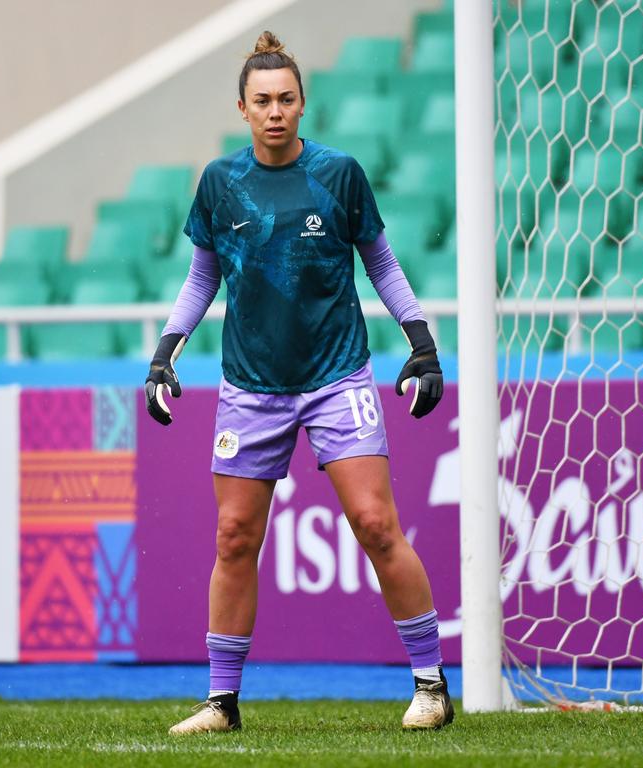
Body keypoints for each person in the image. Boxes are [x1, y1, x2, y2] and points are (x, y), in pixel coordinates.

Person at [144, 30, 452, 734]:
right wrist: (166, 350)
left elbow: (382, 263)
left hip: (337, 375)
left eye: (286, 98)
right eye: (262, 100)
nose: (275, 110)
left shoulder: (338, 174)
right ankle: (222, 703)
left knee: (376, 524)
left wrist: (421, 343)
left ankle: (431, 687)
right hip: (250, 386)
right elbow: (202, 277)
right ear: (243, 109)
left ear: (303, 104)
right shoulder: (220, 184)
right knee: (232, 538)